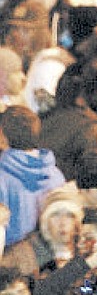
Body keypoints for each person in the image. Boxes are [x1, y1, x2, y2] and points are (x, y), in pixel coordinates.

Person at [0, 105, 65, 247]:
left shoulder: (2, 177)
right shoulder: (56, 175)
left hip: (12, 261)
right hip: (52, 256)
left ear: (3, 136)